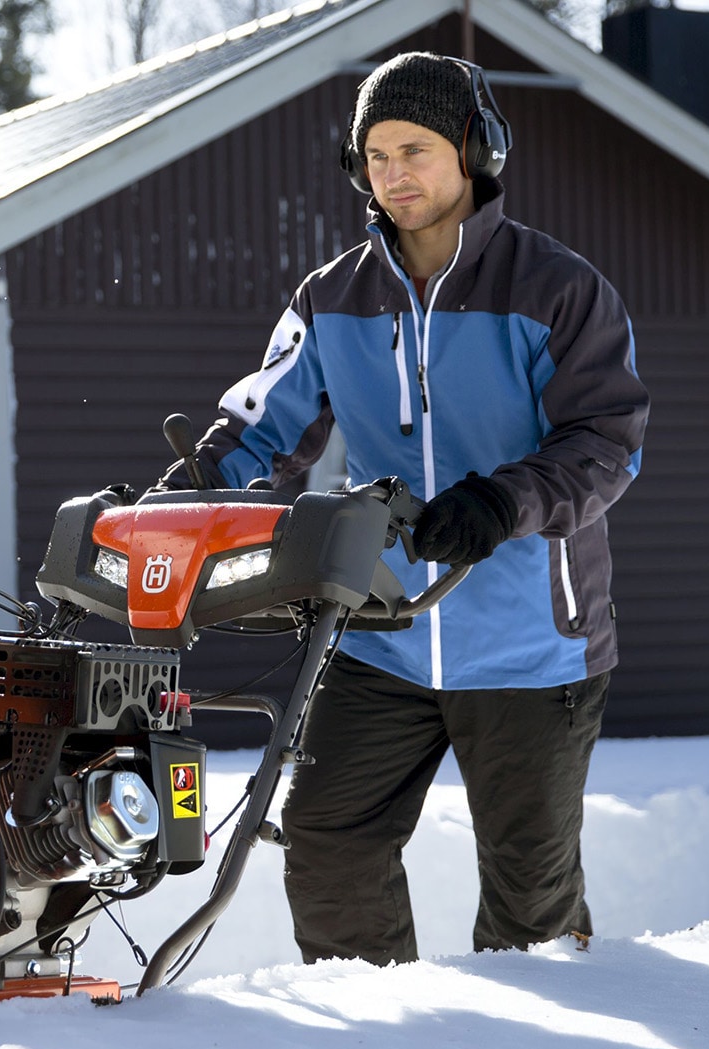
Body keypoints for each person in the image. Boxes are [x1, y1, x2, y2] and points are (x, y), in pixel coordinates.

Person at [161, 52, 649, 965]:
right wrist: (191, 492)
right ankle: (393, 1035)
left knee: (530, 902)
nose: (393, 175)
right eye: (374, 155)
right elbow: (260, 424)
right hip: (382, 628)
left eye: (414, 149)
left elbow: (606, 440)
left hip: (531, 646)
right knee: (328, 848)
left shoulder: (556, 290)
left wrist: (504, 500)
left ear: (473, 150)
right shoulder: (332, 297)